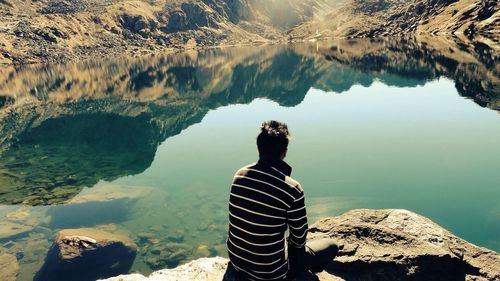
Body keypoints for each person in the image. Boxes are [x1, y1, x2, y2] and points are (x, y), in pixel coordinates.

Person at [226, 120, 339, 281]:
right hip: (270, 274)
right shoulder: (292, 188)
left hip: (237, 263)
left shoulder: (239, 175)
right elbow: (298, 239)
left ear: (259, 148)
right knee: (331, 246)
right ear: (284, 152)